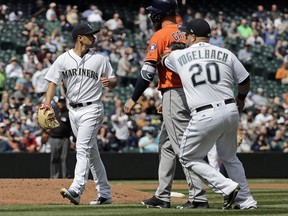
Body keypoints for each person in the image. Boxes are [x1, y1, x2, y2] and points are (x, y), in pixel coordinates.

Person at [161, 18, 257, 209]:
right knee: (230, 157)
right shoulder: (225, 53)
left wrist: (172, 51)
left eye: (186, 35)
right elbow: (245, 79)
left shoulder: (180, 56)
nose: (185, 38)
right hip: (230, 110)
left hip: (204, 114)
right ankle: (246, 201)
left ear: (193, 36)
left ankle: (227, 186)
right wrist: (241, 99)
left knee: (187, 156)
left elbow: (164, 60)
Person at [124, 0, 208, 209]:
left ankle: (198, 197)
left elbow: (147, 72)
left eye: (153, 14)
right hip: (192, 92)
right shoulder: (188, 33)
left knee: (182, 146)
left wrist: (133, 98)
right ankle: (163, 195)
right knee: (167, 146)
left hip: (175, 93)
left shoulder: (160, 35)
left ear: (159, 16)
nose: (151, 17)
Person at [42, 23, 117, 205]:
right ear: (80, 38)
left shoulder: (100, 59)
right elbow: (52, 82)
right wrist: (47, 102)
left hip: (92, 108)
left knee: (82, 148)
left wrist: (110, 82)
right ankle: (105, 194)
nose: (94, 37)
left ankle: (76, 189)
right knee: (91, 154)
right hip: (73, 110)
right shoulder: (63, 59)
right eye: (90, 35)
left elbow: (113, 79)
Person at [48, 96, 72, 179]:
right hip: (53, 137)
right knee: (54, 158)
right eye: (60, 102)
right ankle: (54, 177)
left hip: (65, 138)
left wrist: (73, 139)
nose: (61, 103)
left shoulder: (68, 113)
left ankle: (66, 177)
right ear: (57, 102)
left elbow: (72, 126)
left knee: (64, 158)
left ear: (65, 103)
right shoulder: (53, 112)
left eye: (62, 102)